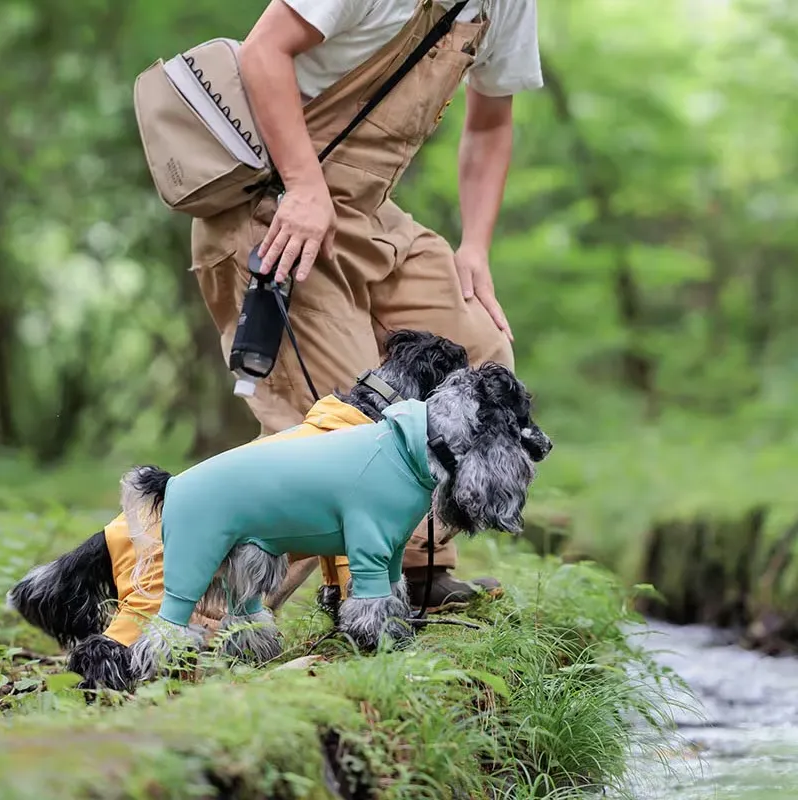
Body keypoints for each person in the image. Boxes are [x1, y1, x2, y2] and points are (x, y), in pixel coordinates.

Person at [190, 0, 543, 610]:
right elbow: (261, 51)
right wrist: (303, 186)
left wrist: (477, 246)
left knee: (480, 353)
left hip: (371, 214)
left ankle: (418, 573)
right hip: (279, 210)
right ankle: (173, 621)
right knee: (344, 430)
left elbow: (490, 122)